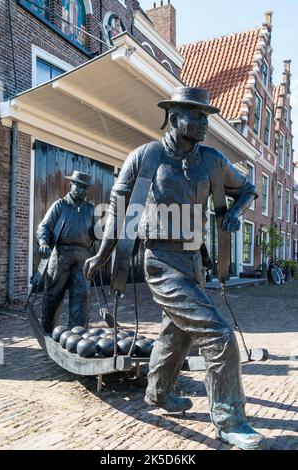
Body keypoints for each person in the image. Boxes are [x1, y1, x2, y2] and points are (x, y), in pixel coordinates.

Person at [83, 87, 264, 450]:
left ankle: (158, 392)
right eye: (196, 116)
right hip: (162, 261)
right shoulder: (145, 156)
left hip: (195, 260)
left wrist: (233, 214)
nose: (203, 123)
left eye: (206, 117)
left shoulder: (213, 160)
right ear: (175, 115)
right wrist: (102, 255)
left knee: (176, 333)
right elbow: (119, 211)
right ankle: (230, 419)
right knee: (218, 335)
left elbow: (248, 189)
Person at [37, 171, 95, 333]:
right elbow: (44, 227)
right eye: (79, 186)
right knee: (54, 293)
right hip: (61, 254)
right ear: (71, 185)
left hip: (83, 255)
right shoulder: (60, 205)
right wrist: (43, 242)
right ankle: (47, 330)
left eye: (85, 188)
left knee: (82, 295)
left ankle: (77, 333)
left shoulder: (90, 209)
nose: (82, 191)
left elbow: (97, 233)